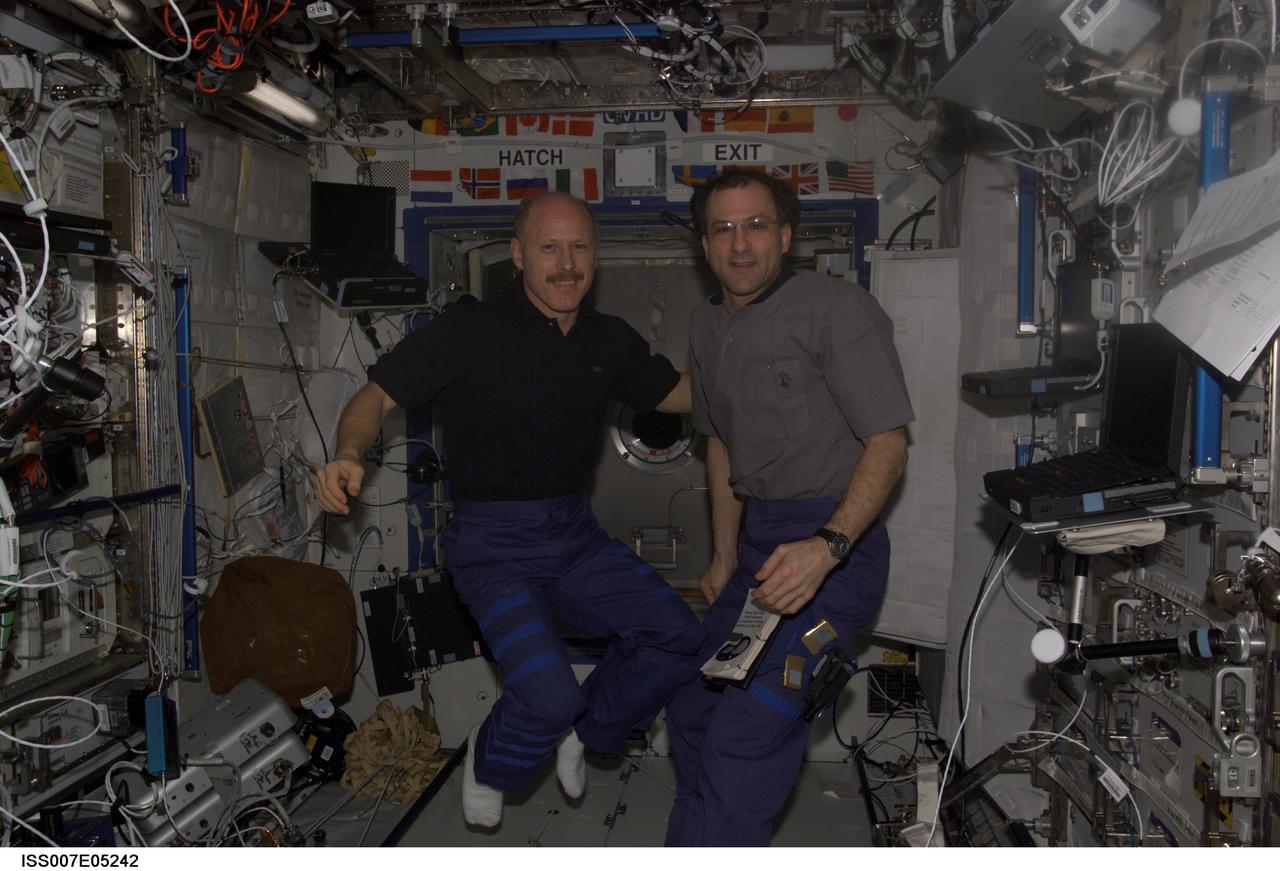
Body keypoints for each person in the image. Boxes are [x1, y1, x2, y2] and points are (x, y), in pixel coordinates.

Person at [314, 191, 705, 829]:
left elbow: (680, 394)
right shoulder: (470, 332)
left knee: (679, 635)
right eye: (549, 247)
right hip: (491, 546)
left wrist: (762, 369)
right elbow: (375, 396)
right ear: (519, 255)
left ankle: (591, 728)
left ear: (596, 256)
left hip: (573, 534)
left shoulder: (610, 339)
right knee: (546, 696)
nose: (567, 263)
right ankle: (490, 762)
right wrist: (348, 452)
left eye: (579, 247)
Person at [664, 168, 913, 846]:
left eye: (755, 226)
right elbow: (718, 441)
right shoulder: (707, 326)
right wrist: (722, 554)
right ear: (703, 245)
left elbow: (888, 445)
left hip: (837, 556)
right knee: (691, 711)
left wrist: (827, 547)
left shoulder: (835, 310)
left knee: (747, 732)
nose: (739, 245)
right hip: (758, 557)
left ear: (786, 235)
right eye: (722, 228)